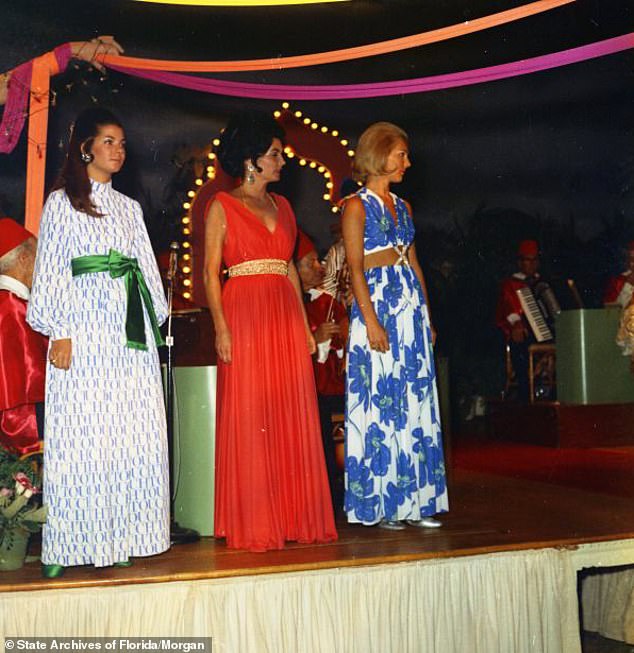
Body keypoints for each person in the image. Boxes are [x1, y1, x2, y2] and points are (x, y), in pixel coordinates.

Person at [26, 107, 170, 578]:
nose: (118, 150)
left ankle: (119, 534)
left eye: (123, 143)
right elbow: (50, 266)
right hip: (83, 329)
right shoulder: (61, 203)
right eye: (109, 141)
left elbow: (146, 270)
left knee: (124, 434)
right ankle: (69, 544)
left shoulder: (129, 208)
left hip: (126, 333)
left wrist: (151, 328)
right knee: (82, 434)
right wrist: (60, 330)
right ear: (86, 147)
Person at [204, 112, 337, 552]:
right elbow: (209, 274)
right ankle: (256, 521)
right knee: (251, 412)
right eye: (275, 154)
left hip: (282, 311)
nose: (283, 161)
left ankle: (292, 516)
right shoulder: (221, 205)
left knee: (288, 409)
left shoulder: (284, 207)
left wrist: (305, 328)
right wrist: (221, 327)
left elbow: (291, 273)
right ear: (251, 160)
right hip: (243, 312)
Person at [342, 121, 448, 530]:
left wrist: (427, 316)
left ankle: (418, 502)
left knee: (416, 402)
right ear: (378, 155)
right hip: (378, 308)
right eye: (400, 154)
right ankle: (385, 503)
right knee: (383, 401)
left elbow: (414, 262)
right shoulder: (355, 206)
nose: (407, 161)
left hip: (410, 310)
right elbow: (354, 269)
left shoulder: (404, 208)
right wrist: (371, 322)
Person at [295, 230, 347, 512]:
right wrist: (315, 338)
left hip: (329, 387)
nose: (320, 268)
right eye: (311, 263)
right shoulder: (292, 304)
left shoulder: (325, 302)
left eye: (319, 261)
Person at [0, 218, 47, 454]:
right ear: (23, 258)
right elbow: (26, 383)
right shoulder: (15, 309)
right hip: (27, 429)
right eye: (38, 256)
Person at [495, 239, 542, 402]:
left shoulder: (542, 283)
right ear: (520, 263)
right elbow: (508, 307)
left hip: (544, 332)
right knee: (520, 343)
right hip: (520, 331)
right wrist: (516, 323)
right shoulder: (511, 283)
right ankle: (525, 394)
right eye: (528, 260)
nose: (532, 264)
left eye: (535, 259)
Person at [604, 241, 634, 307]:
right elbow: (612, 312)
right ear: (628, 261)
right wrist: (629, 284)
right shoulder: (618, 281)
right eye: (632, 260)